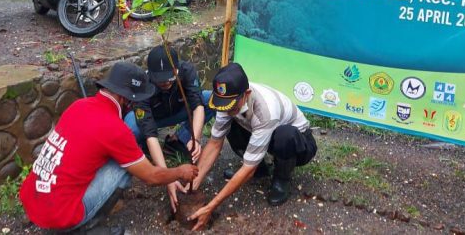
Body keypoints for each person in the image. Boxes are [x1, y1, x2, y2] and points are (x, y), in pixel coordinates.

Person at [19, 61, 198, 232]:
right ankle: (87, 227)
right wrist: (179, 172)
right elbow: (150, 177)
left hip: (33, 201)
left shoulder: (78, 105)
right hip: (60, 216)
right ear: (125, 99)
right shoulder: (115, 129)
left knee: (115, 157)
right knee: (126, 166)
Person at [187, 62, 317, 231]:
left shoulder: (265, 111)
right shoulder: (226, 100)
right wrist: (194, 183)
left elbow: (248, 167)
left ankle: (281, 179)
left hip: (299, 144)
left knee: (286, 136)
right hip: (263, 134)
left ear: (246, 94)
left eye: (232, 105)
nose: (226, 110)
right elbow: (214, 143)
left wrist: (211, 206)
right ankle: (261, 170)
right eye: (223, 105)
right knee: (231, 126)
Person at [123, 45, 214, 212]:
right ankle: (143, 151)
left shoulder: (187, 71)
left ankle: (180, 140)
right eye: (160, 79)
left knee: (209, 99)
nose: (165, 82)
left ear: (177, 70)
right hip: (154, 120)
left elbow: (197, 106)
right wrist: (168, 178)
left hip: (178, 112)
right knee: (130, 128)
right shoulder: (142, 85)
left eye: (170, 77)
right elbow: (150, 133)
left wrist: (196, 138)